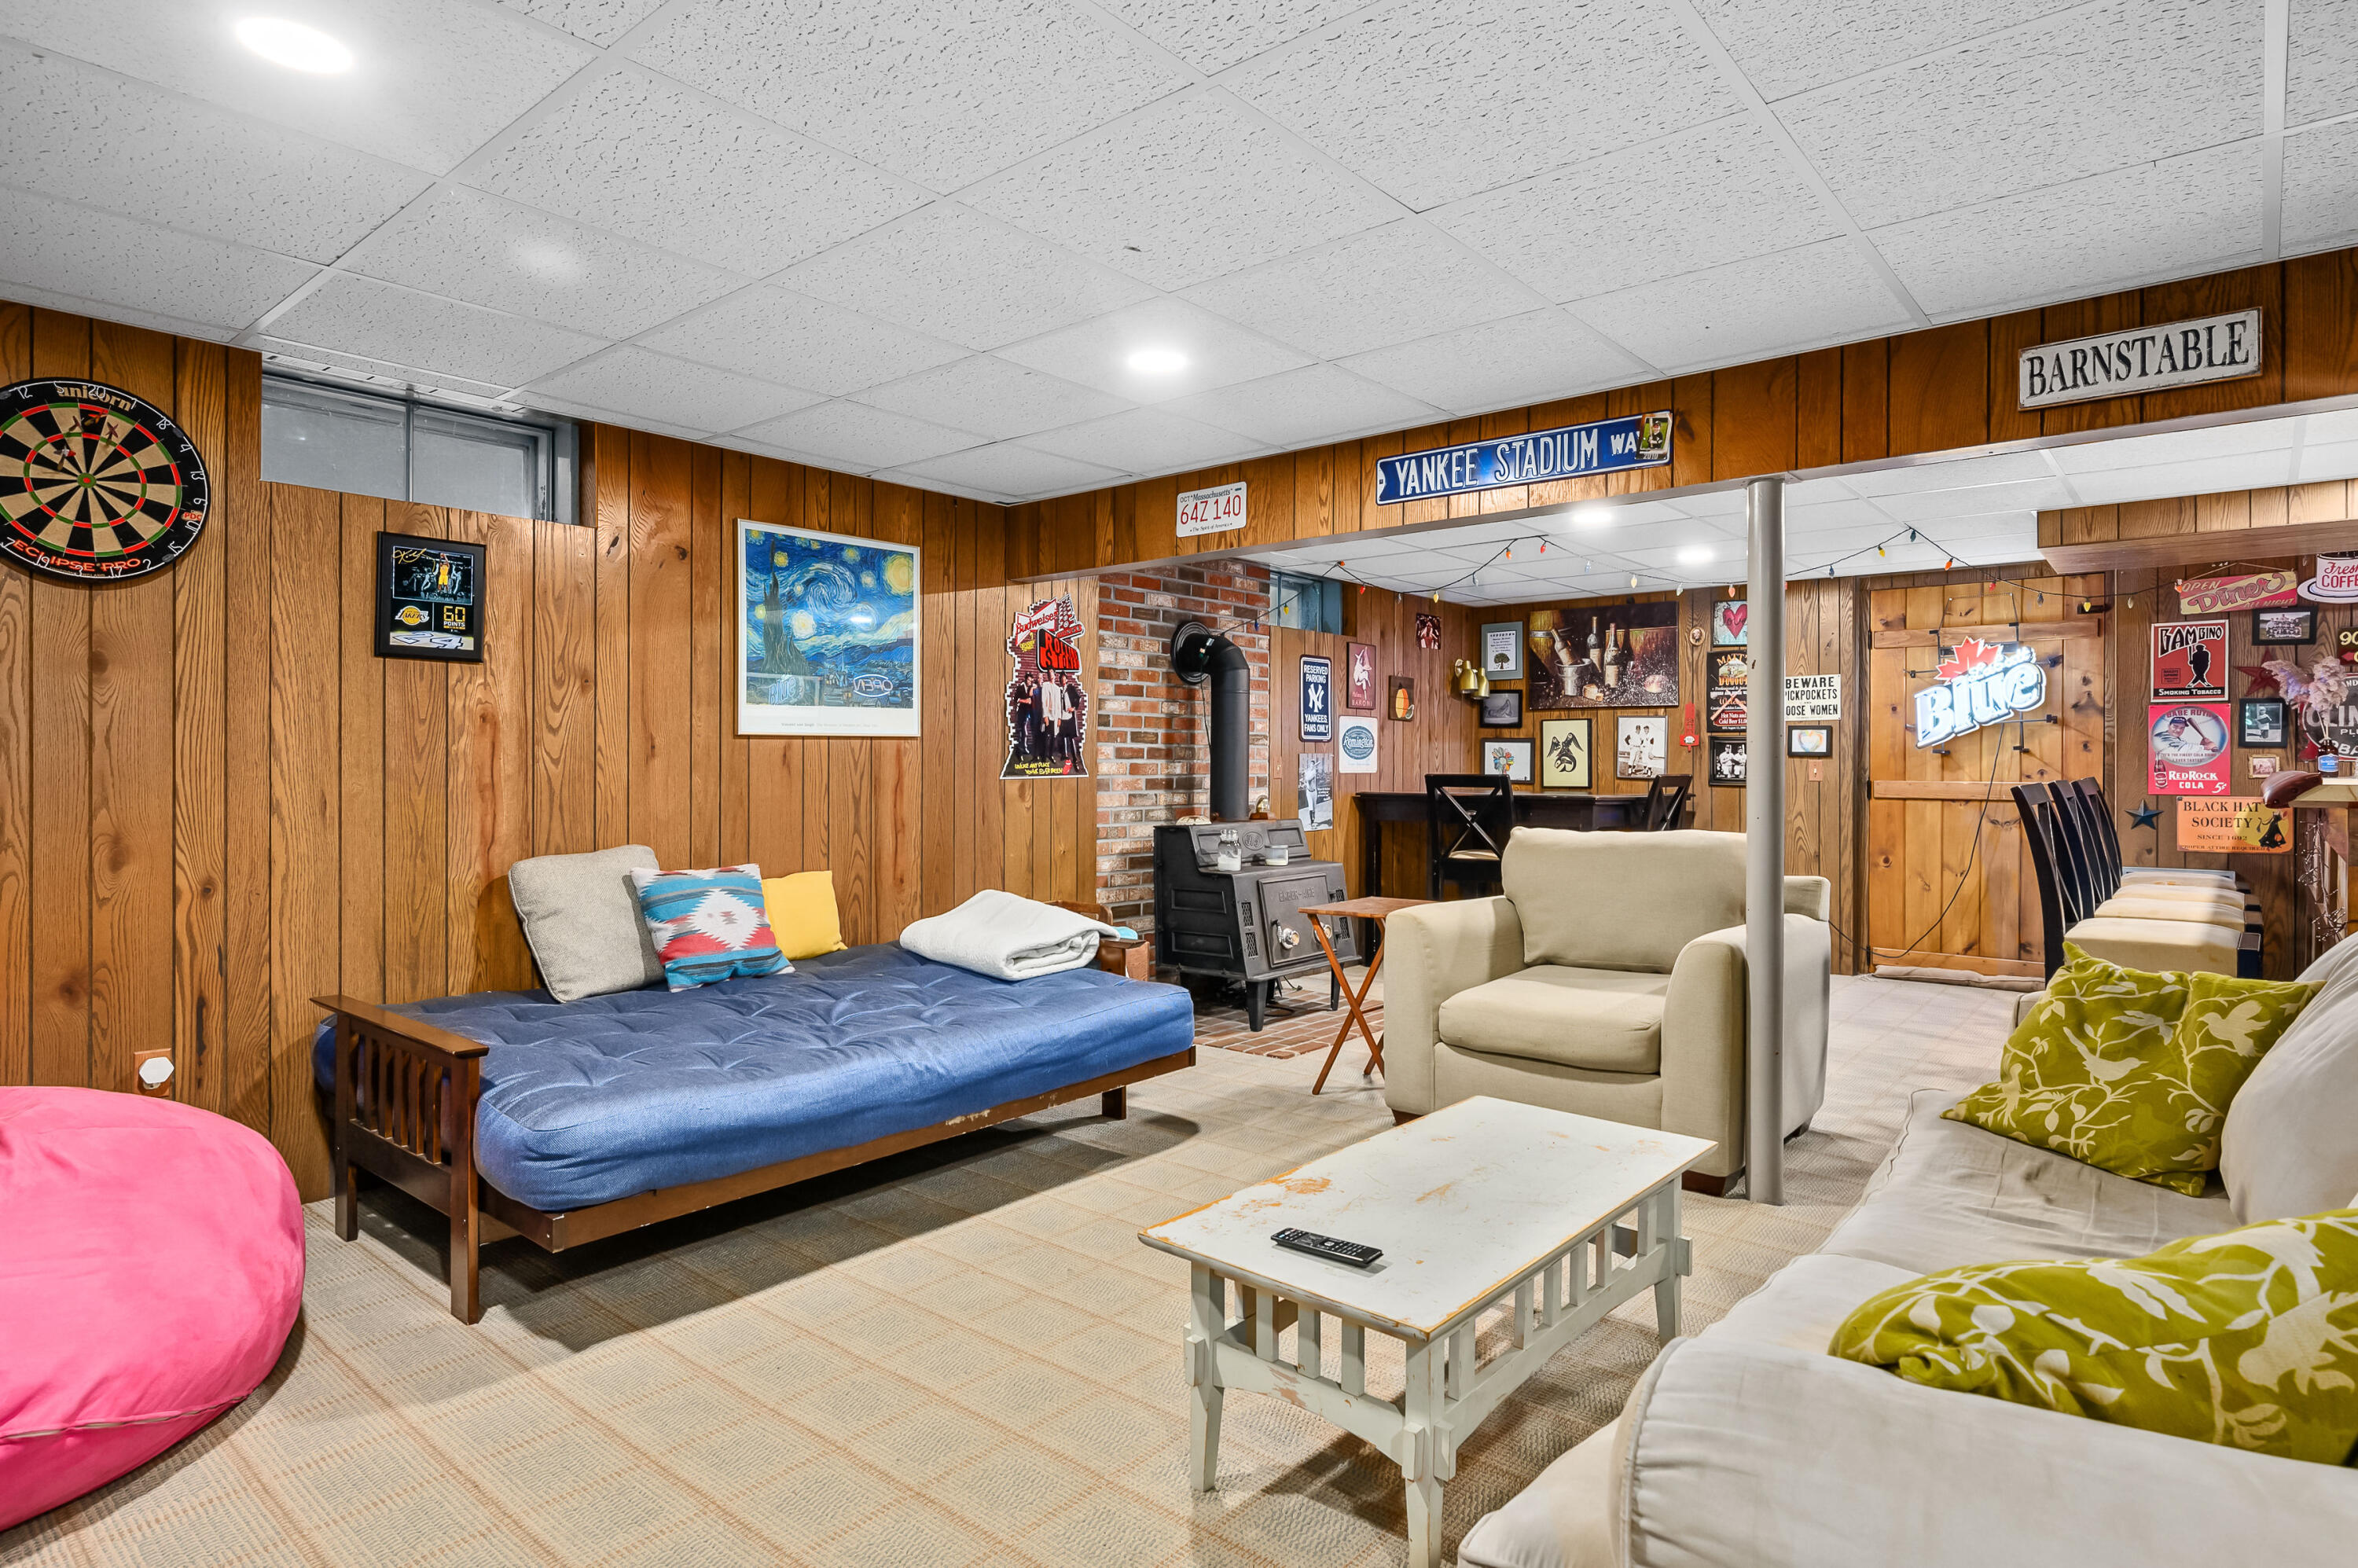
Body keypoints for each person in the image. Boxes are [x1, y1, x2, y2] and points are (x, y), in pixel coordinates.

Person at [1035, 673, 1067, 770]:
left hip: (1056, 716)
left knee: (1054, 737)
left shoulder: (1058, 689)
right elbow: (1043, 701)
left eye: (1052, 673)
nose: (1051, 675)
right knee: (1046, 737)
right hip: (1048, 716)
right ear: (1048, 675)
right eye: (1049, 673)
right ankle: (1044, 758)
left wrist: (1059, 718)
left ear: (1055, 675)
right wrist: (1045, 716)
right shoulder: (1045, 685)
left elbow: (1059, 705)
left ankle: (1050, 755)